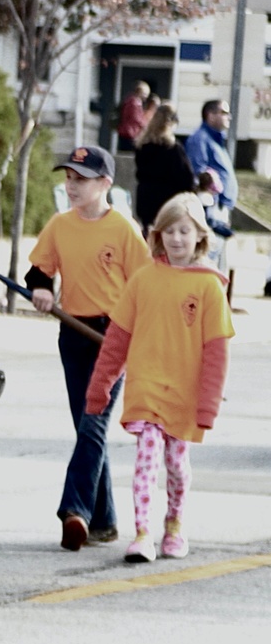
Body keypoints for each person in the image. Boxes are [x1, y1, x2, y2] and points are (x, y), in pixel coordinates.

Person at [85, 193, 233, 562]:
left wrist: (208, 407)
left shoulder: (210, 288)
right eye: (169, 231)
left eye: (184, 231)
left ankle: (174, 524)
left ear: (199, 236)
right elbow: (117, 341)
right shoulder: (143, 280)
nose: (177, 239)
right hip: (146, 388)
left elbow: (217, 354)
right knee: (146, 459)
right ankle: (142, 534)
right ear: (158, 234)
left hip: (183, 394)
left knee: (176, 468)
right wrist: (99, 388)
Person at [25, 145, 151, 551]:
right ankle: (104, 522)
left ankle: (73, 510)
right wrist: (42, 292)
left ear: (105, 183)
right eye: (69, 178)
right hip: (73, 332)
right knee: (85, 424)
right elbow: (36, 272)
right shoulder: (60, 225)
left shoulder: (124, 230)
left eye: (82, 179)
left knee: (92, 423)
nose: (72, 185)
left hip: (112, 336)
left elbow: (146, 289)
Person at [185, 100, 238, 272]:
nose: (228, 117)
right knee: (208, 257)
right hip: (211, 208)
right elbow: (199, 175)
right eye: (223, 112)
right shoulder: (200, 139)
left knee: (216, 260)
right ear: (210, 114)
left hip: (221, 208)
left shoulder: (216, 141)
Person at [133, 101, 195, 234]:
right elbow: (186, 178)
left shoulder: (142, 145)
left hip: (146, 200)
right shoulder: (173, 148)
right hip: (168, 203)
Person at [117, 81, 150, 151]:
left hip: (125, 132)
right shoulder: (134, 103)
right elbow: (136, 118)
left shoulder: (129, 100)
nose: (146, 97)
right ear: (140, 92)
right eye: (145, 94)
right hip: (130, 133)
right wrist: (145, 125)